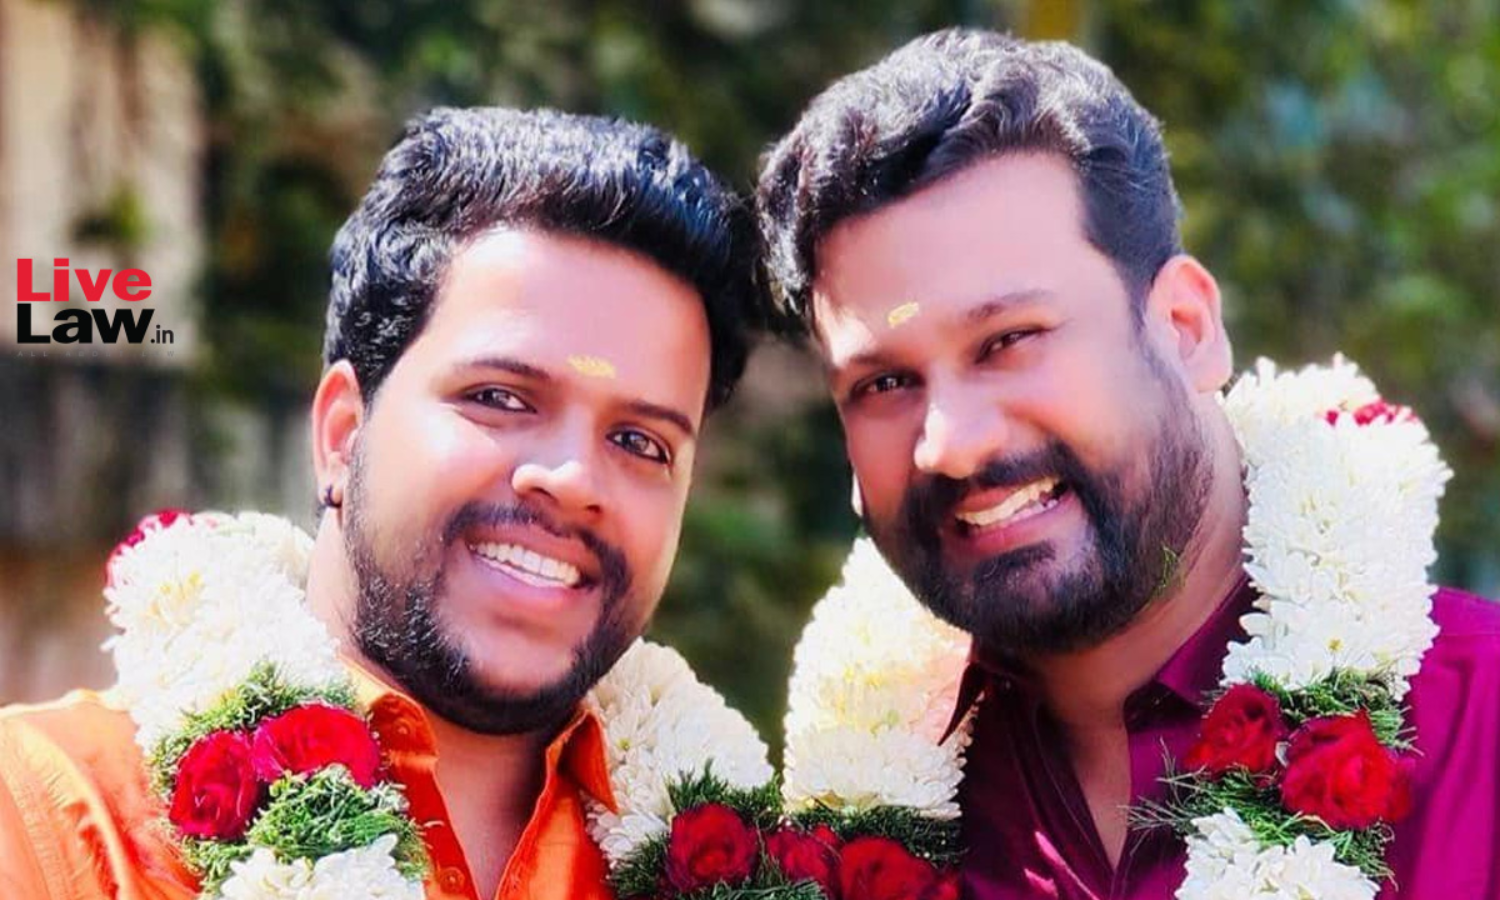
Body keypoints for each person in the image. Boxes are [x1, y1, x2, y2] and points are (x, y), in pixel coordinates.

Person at [758, 28, 1500, 899]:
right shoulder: (849, 827)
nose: (951, 442)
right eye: (884, 383)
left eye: (1009, 339)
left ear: (1186, 329)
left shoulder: (1477, 729)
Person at [0, 106, 755, 900]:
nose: (572, 479)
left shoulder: (756, 868)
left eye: (641, 442)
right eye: (500, 397)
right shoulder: (43, 822)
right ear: (342, 433)